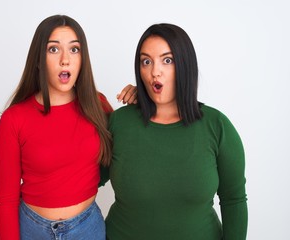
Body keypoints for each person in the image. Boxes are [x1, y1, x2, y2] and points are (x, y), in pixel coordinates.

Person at [0, 15, 136, 240]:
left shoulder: (98, 105)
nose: (65, 60)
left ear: (82, 58)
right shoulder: (14, 119)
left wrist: (142, 99)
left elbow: (127, 151)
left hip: (87, 228)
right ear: (39, 59)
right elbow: (6, 200)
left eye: (74, 50)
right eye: (53, 50)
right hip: (32, 230)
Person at [102, 23, 248, 239]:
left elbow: (233, 200)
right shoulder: (119, 122)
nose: (154, 72)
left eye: (167, 60)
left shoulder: (217, 125)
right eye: (146, 61)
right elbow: (84, 178)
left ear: (185, 65)